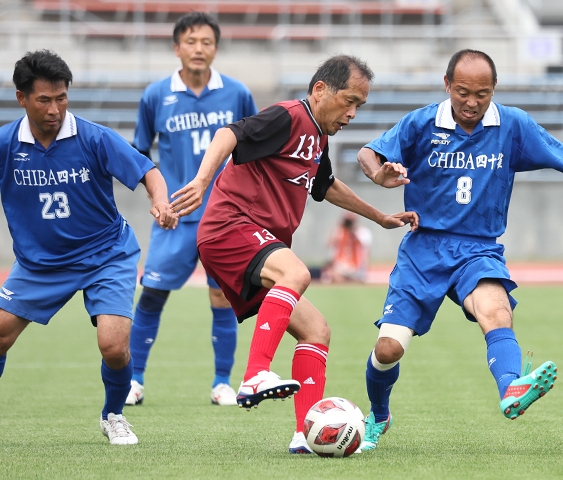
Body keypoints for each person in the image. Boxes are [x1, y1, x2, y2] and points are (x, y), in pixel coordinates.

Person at [355, 49, 563, 451]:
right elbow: (368, 153)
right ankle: (379, 414)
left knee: (496, 311)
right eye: (463, 92)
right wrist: (379, 174)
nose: (472, 103)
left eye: (482, 94)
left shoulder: (513, 124)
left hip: (478, 248)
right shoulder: (421, 123)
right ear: (447, 85)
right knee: (388, 350)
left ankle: (510, 389)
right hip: (423, 251)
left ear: (494, 90)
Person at [170, 55, 419, 454]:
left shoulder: (317, 139)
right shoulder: (289, 116)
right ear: (320, 90)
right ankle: (255, 375)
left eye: (360, 106)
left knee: (317, 330)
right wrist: (201, 181)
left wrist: (379, 216)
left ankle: (306, 436)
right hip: (229, 226)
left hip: (253, 238)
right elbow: (228, 135)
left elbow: (327, 185)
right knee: (297, 272)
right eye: (349, 101)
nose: (352, 113)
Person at [0, 50, 178, 445]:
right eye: (44, 99)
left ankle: (113, 414)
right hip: (39, 265)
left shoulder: (93, 137)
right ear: (22, 98)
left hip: (106, 255)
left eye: (61, 97)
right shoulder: (6, 144)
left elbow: (148, 171)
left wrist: (160, 201)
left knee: (113, 347)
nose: (55, 109)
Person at [125, 12, 258, 408]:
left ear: (216, 48)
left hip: (225, 216)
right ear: (176, 47)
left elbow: (252, 149)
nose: (198, 49)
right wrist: (157, 200)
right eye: (190, 41)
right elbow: (139, 153)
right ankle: (133, 380)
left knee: (223, 298)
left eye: (206, 42)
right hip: (175, 216)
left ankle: (221, 383)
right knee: (152, 294)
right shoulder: (155, 95)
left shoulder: (237, 94)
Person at [323, 212, 372, 283]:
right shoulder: (340, 231)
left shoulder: (362, 232)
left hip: (355, 267)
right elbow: (328, 243)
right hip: (341, 265)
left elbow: (364, 249)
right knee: (335, 277)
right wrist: (337, 226)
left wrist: (353, 233)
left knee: (357, 281)